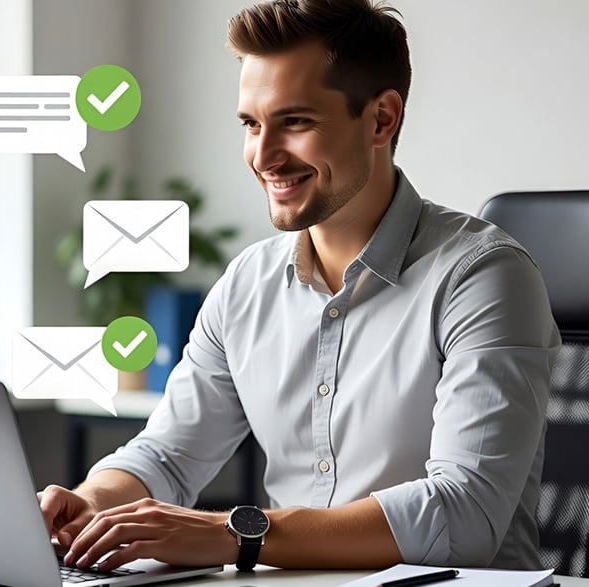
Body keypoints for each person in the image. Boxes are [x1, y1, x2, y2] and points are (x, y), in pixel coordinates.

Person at [39, 0, 560, 572]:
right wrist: (93, 502)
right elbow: (169, 454)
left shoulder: (484, 275)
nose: (263, 156)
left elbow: (465, 516)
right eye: (251, 124)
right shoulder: (247, 284)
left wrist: (236, 535)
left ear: (381, 119)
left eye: (295, 122)